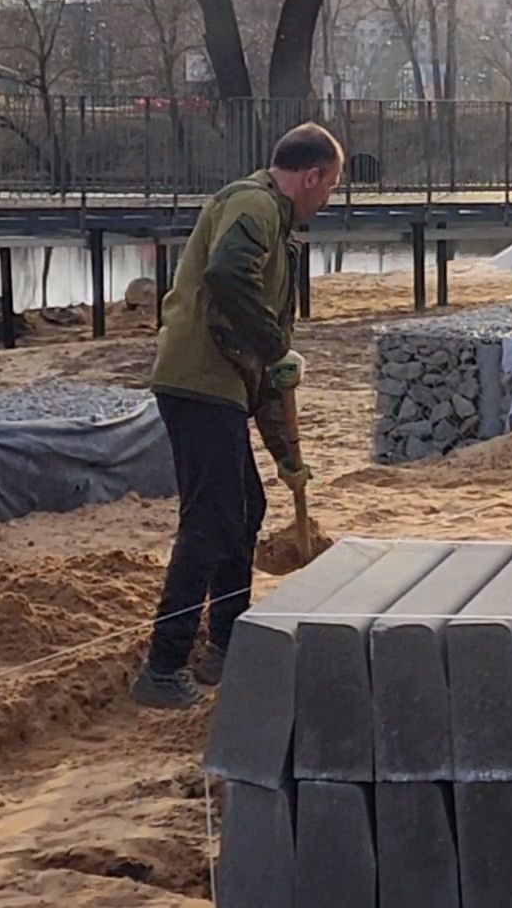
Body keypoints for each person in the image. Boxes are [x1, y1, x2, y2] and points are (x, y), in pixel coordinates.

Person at [130, 122, 344, 710]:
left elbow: (271, 373)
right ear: (312, 176)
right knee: (211, 519)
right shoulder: (254, 206)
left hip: (221, 386)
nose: (328, 199)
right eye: (330, 187)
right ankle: (163, 667)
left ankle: (226, 642)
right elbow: (227, 277)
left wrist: (287, 459)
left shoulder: (275, 223)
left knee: (245, 507)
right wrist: (275, 348)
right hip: (198, 382)